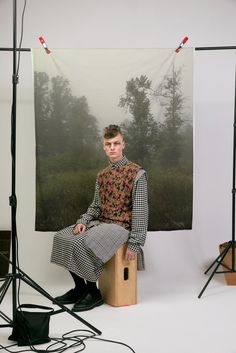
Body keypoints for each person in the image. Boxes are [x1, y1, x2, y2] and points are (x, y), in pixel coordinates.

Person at [51, 124, 148, 312]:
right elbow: (96, 206)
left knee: (81, 244)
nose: (112, 147)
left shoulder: (137, 173)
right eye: (108, 144)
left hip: (121, 227)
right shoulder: (102, 175)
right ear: (104, 147)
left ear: (123, 145)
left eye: (116, 143)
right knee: (63, 237)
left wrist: (135, 242)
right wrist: (83, 221)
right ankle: (80, 289)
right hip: (101, 222)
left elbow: (141, 211)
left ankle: (92, 292)